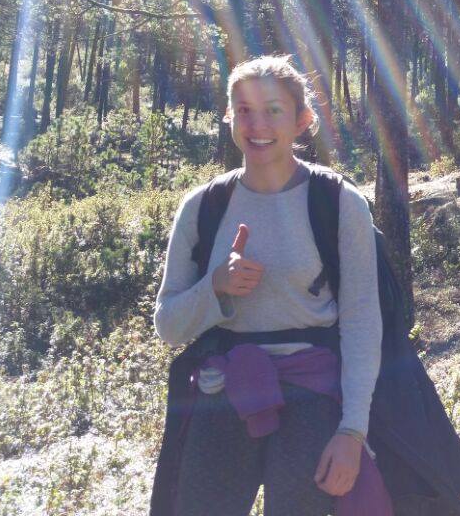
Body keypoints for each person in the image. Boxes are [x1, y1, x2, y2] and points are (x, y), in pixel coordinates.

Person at [153, 55, 383, 516]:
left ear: (303, 121)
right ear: (229, 117)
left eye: (273, 110)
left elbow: (362, 323)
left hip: (312, 395)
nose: (256, 124)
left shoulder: (339, 203)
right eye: (243, 110)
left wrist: (352, 432)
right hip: (223, 390)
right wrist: (216, 287)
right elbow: (168, 325)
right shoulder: (203, 206)